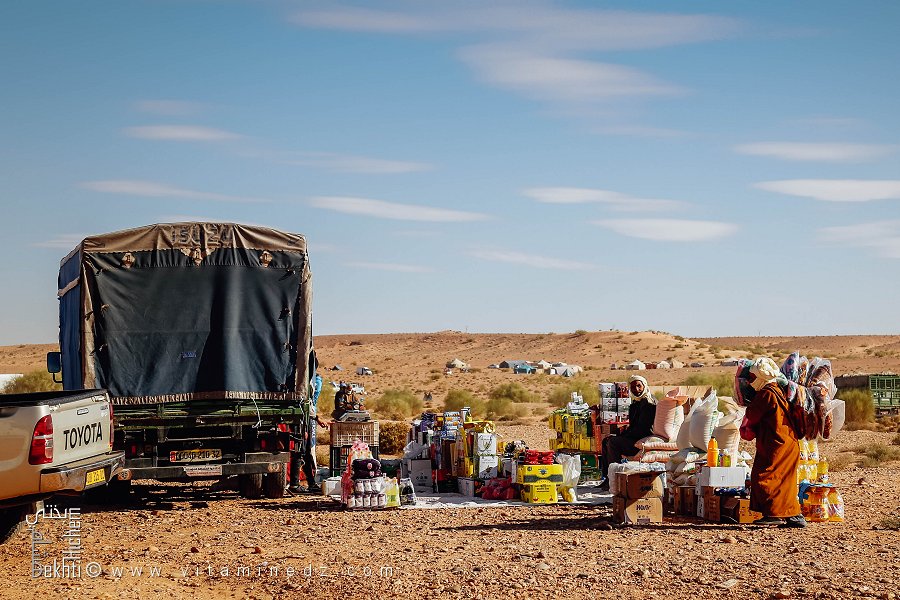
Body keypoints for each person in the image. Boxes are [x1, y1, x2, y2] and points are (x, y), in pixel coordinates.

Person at [740, 358, 806, 528]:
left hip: (778, 445)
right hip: (787, 443)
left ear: (762, 377)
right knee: (785, 481)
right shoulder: (776, 390)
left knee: (765, 476)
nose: (752, 381)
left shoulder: (766, 393)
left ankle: (774, 514)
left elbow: (753, 414)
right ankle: (794, 516)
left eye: (754, 377)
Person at [599, 375, 657, 489]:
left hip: (642, 439)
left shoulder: (648, 403)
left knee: (613, 443)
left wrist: (624, 435)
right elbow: (632, 426)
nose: (637, 389)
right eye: (634, 387)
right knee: (606, 440)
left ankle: (616, 477)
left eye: (639, 386)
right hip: (634, 437)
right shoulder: (636, 403)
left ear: (644, 386)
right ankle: (608, 477)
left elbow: (642, 428)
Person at [289, 371, 326, 494]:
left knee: (304, 452)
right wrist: (316, 418)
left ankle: (310, 482)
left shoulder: (300, 380)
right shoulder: (305, 383)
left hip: (304, 419)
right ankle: (295, 484)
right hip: (302, 420)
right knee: (301, 451)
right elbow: (306, 404)